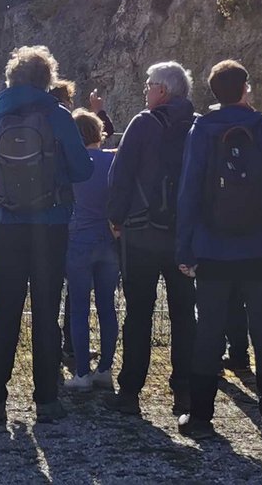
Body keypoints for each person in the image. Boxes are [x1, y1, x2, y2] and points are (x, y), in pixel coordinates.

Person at [175, 60, 262, 439]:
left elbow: (188, 194)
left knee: (209, 330)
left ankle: (200, 418)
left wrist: (185, 249)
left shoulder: (201, 131)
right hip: (261, 245)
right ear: (246, 88)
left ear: (214, 92)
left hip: (212, 247)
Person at [0, 46, 95, 426]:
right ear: (48, 80)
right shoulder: (58, 116)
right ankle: (46, 401)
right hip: (51, 225)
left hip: (6, 225)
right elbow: (82, 170)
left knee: (5, 310)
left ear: (11, 79)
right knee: (46, 310)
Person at [103, 62, 198, 416]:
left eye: (147, 85)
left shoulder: (143, 123)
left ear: (162, 90)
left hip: (141, 234)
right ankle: (185, 392)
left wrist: (115, 218)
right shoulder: (197, 125)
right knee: (185, 315)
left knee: (138, 313)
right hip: (183, 237)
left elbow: (121, 174)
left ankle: (130, 392)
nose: (145, 90)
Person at [64, 109, 119, 390]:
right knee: (107, 307)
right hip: (109, 240)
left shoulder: (71, 164)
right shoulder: (113, 160)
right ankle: (106, 368)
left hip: (78, 241)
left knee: (79, 310)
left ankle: (82, 373)